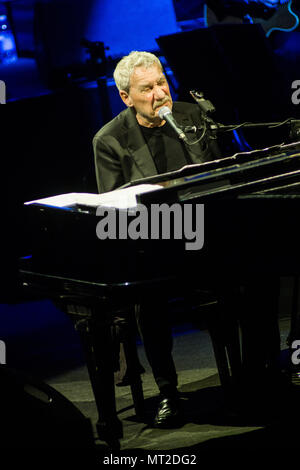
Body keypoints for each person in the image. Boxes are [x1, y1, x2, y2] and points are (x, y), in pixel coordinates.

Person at [93, 51, 220, 427]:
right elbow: (116, 212)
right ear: (126, 97)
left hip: (209, 231)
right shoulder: (110, 140)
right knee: (148, 304)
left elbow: (219, 173)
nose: (159, 93)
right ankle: (168, 392)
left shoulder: (192, 116)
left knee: (255, 271)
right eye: (147, 88)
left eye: (161, 82)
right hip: (155, 240)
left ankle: (252, 370)